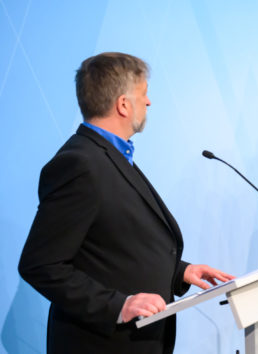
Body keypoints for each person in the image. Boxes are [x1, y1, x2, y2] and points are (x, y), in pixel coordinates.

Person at [18, 52, 234, 354]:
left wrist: (179, 271)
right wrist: (118, 305)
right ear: (122, 104)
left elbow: (112, 247)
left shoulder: (110, 156)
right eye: (143, 95)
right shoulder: (79, 164)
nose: (148, 103)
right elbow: (41, 265)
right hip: (101, 344)